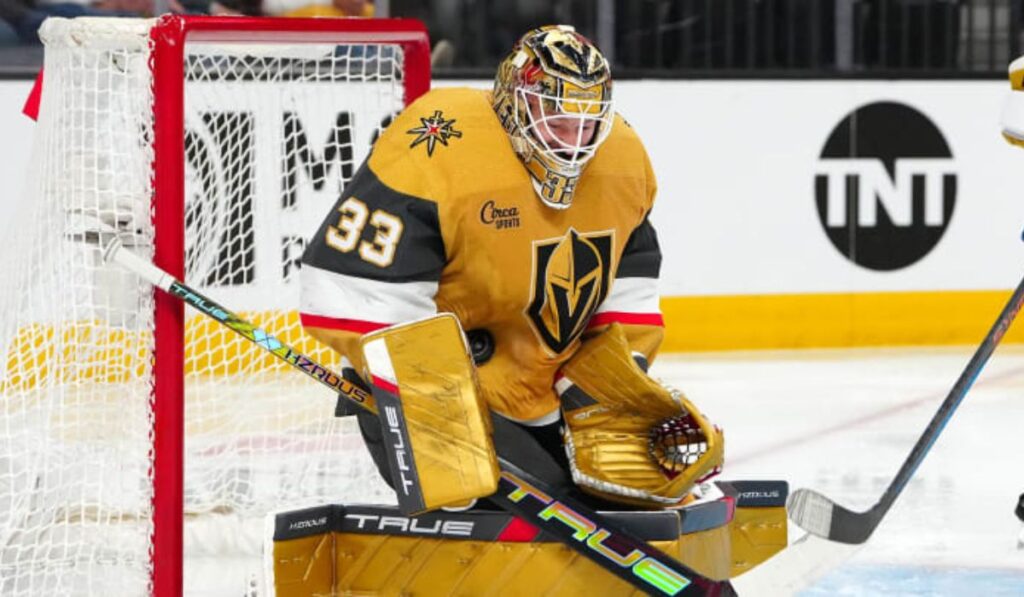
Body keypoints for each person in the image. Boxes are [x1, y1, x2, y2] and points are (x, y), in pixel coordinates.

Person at [299, 25, 722, 510]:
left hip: (547, 390)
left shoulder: (621, 157)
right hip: (434, 396)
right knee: (550, 528)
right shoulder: (439, 143)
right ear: (513, 103)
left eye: (587, 125)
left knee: (638, 503)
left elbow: (629, 282)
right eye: (558, 123)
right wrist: (439, 409)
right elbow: (353, 291)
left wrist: (606, 390)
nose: (574, 144)